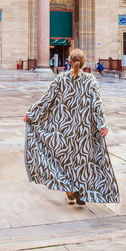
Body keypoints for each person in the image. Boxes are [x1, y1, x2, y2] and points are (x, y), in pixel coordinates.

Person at [23, 49, 119, 205]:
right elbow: (97, 104)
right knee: (82, 161)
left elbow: (47, 99)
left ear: (69, 61)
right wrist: (102, 124)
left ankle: (70, 192)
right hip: (84, 129)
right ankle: (80, 190)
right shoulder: (90, 80)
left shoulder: (61, 79)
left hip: (64, 129)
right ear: (83, 62)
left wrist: (31, 114)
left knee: (66, 160)